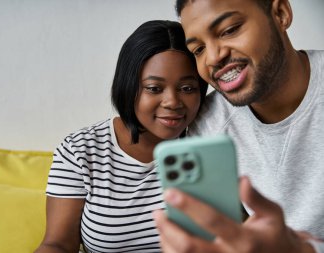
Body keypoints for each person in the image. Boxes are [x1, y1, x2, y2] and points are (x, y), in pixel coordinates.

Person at [153, 0, 324, 252]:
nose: (213, 57)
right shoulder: (209, 123)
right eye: (198, 49)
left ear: (280, 14)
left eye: (229, 29)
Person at [34, 20, 208, 253]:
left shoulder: (210, 143)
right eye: (154, 88)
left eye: (187, 88)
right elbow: (58, 244)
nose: (173, 102)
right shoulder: (80, 150)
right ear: (128, 86)